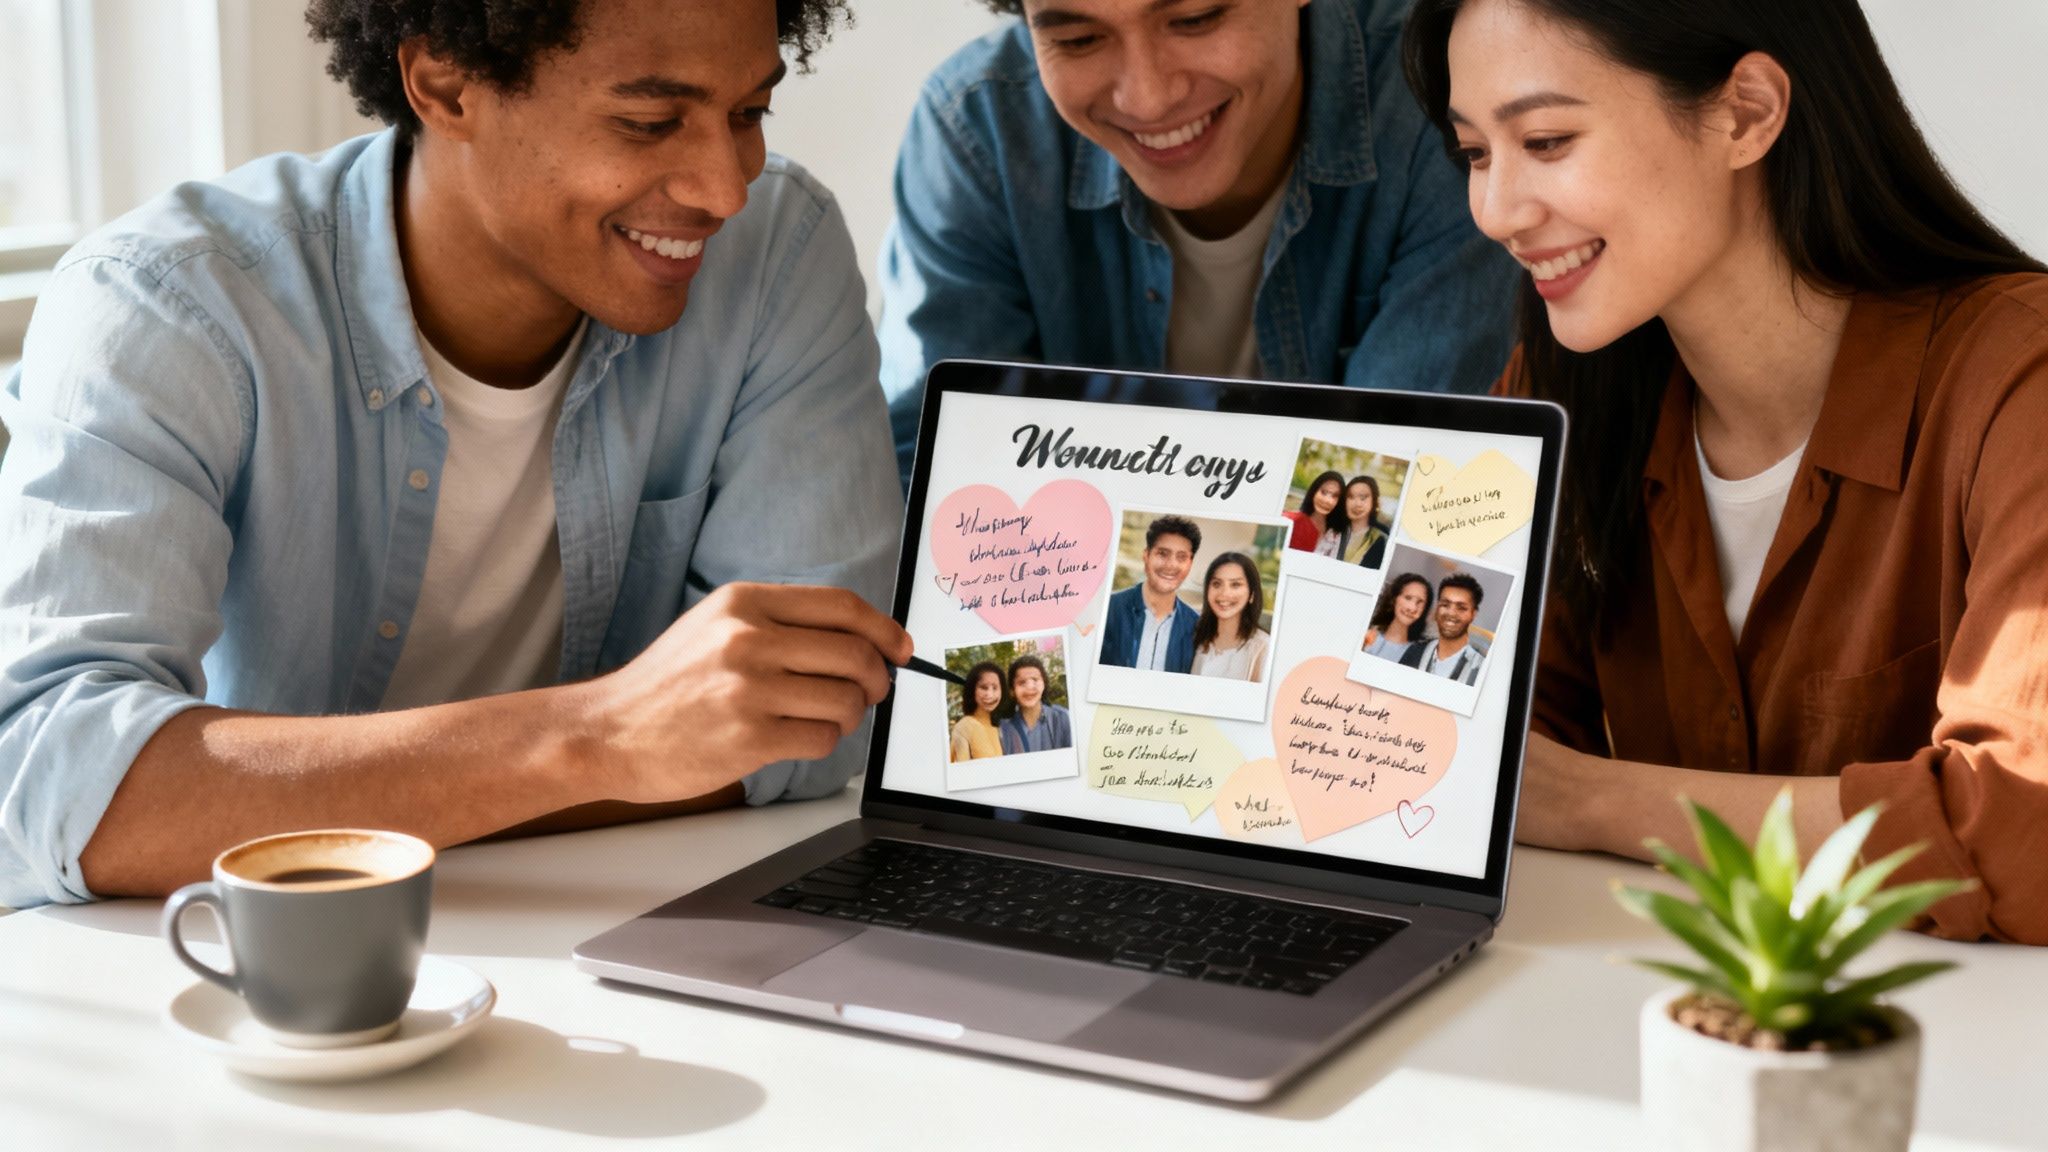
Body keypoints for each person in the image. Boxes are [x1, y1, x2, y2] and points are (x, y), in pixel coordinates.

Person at [0, 0, 913, 910]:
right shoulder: (168, 306)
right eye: (648, 122)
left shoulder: (775, 255)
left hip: (606, 934)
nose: (725, 187)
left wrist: (269, 802)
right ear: (445, 82)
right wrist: (601, 739)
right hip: (256, 972)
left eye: (749, 113)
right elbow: (61, 785)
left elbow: (813, 725)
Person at [1405, 0, 2048, 942]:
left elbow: (2021, 828)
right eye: (1475, 154)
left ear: (1746, 113)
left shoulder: (2016, 380)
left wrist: (1590, 801)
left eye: (1545, 140)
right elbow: (1453, 735)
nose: (1496, 211)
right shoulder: (1559, 388)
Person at [876, 0, 1521, 487]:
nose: (1149, 98)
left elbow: (1393, 488)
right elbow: (936, 482)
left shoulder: (1445, 98)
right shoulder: (976, 133)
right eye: (1078, 39)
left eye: (1195, 18)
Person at [1099, 515, 1202, 674]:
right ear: (1146, 556)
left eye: (1181, 557)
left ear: (1190, 563)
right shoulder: (1108, 609)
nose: (1171, 565)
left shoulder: (1197, 628)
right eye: (1162, 554)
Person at [1189, 553, 1271, 682]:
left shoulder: (1262, 647)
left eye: (1235, 585)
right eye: (1216, 584)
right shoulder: (1195, 636)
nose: (1224, 593)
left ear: (1251, 594)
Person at [1399, 573, 1486, 685]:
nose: (1451, 613)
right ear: (1437, 608)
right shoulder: (1415, 651)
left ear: (1473, 614)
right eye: (1445, 605)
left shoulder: (1480, 668)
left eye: (1461, 608)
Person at [999, 655, 1074, 754]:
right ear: (1012, 690)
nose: (1030, 687)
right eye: (1022, 682)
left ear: (1044, 684)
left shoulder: (1063, 718)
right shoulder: (1003, 728)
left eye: (1035, 680)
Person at [1361, 573, 1433, 659]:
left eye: (1420, 602)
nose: (1412, 608)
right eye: (1408, 598)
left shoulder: (1422, 655)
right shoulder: (1365, 637)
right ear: (1394, 599)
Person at [950, 662, 1007, 761]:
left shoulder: (1001, 728)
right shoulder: (965, 727)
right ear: (972, 690)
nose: (990, 694)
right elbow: (960, 772)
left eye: (995, 688)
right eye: (984, 688)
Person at [1282, 470, 1346, 554]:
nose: (1327, 500)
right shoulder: (1291, 521)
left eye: (1335, 496)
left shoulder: (1337, 535)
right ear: (1314, 492)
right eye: (1323, 492)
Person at [1338, 475, 1391, 568]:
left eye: (1363, 498)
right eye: (1350, 497)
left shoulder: (1381, 539)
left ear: (1374, 501)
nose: (1357, 504)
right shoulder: (1334, 530)